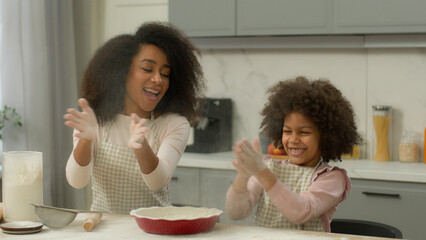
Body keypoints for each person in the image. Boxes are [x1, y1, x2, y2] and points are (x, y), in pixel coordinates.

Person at [63, 21, 205, 214]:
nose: (158, 80)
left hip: (155, 231)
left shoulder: (174, 124)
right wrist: (85, 141)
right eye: (147, 69)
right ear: (122, 73)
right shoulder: (94, 119)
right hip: (104, 229)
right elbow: (76, 181)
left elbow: (158, 181)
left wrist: (142, 146)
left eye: (165, 73)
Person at [225, 76, 362, 232]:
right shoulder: (270, 168)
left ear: (326, 136)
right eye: (287, 131)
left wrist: (262, 173)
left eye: (304, 132)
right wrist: (242, 177)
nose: (293, 139)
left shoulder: (331, 178)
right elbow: (235, 213)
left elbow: (301, 212)